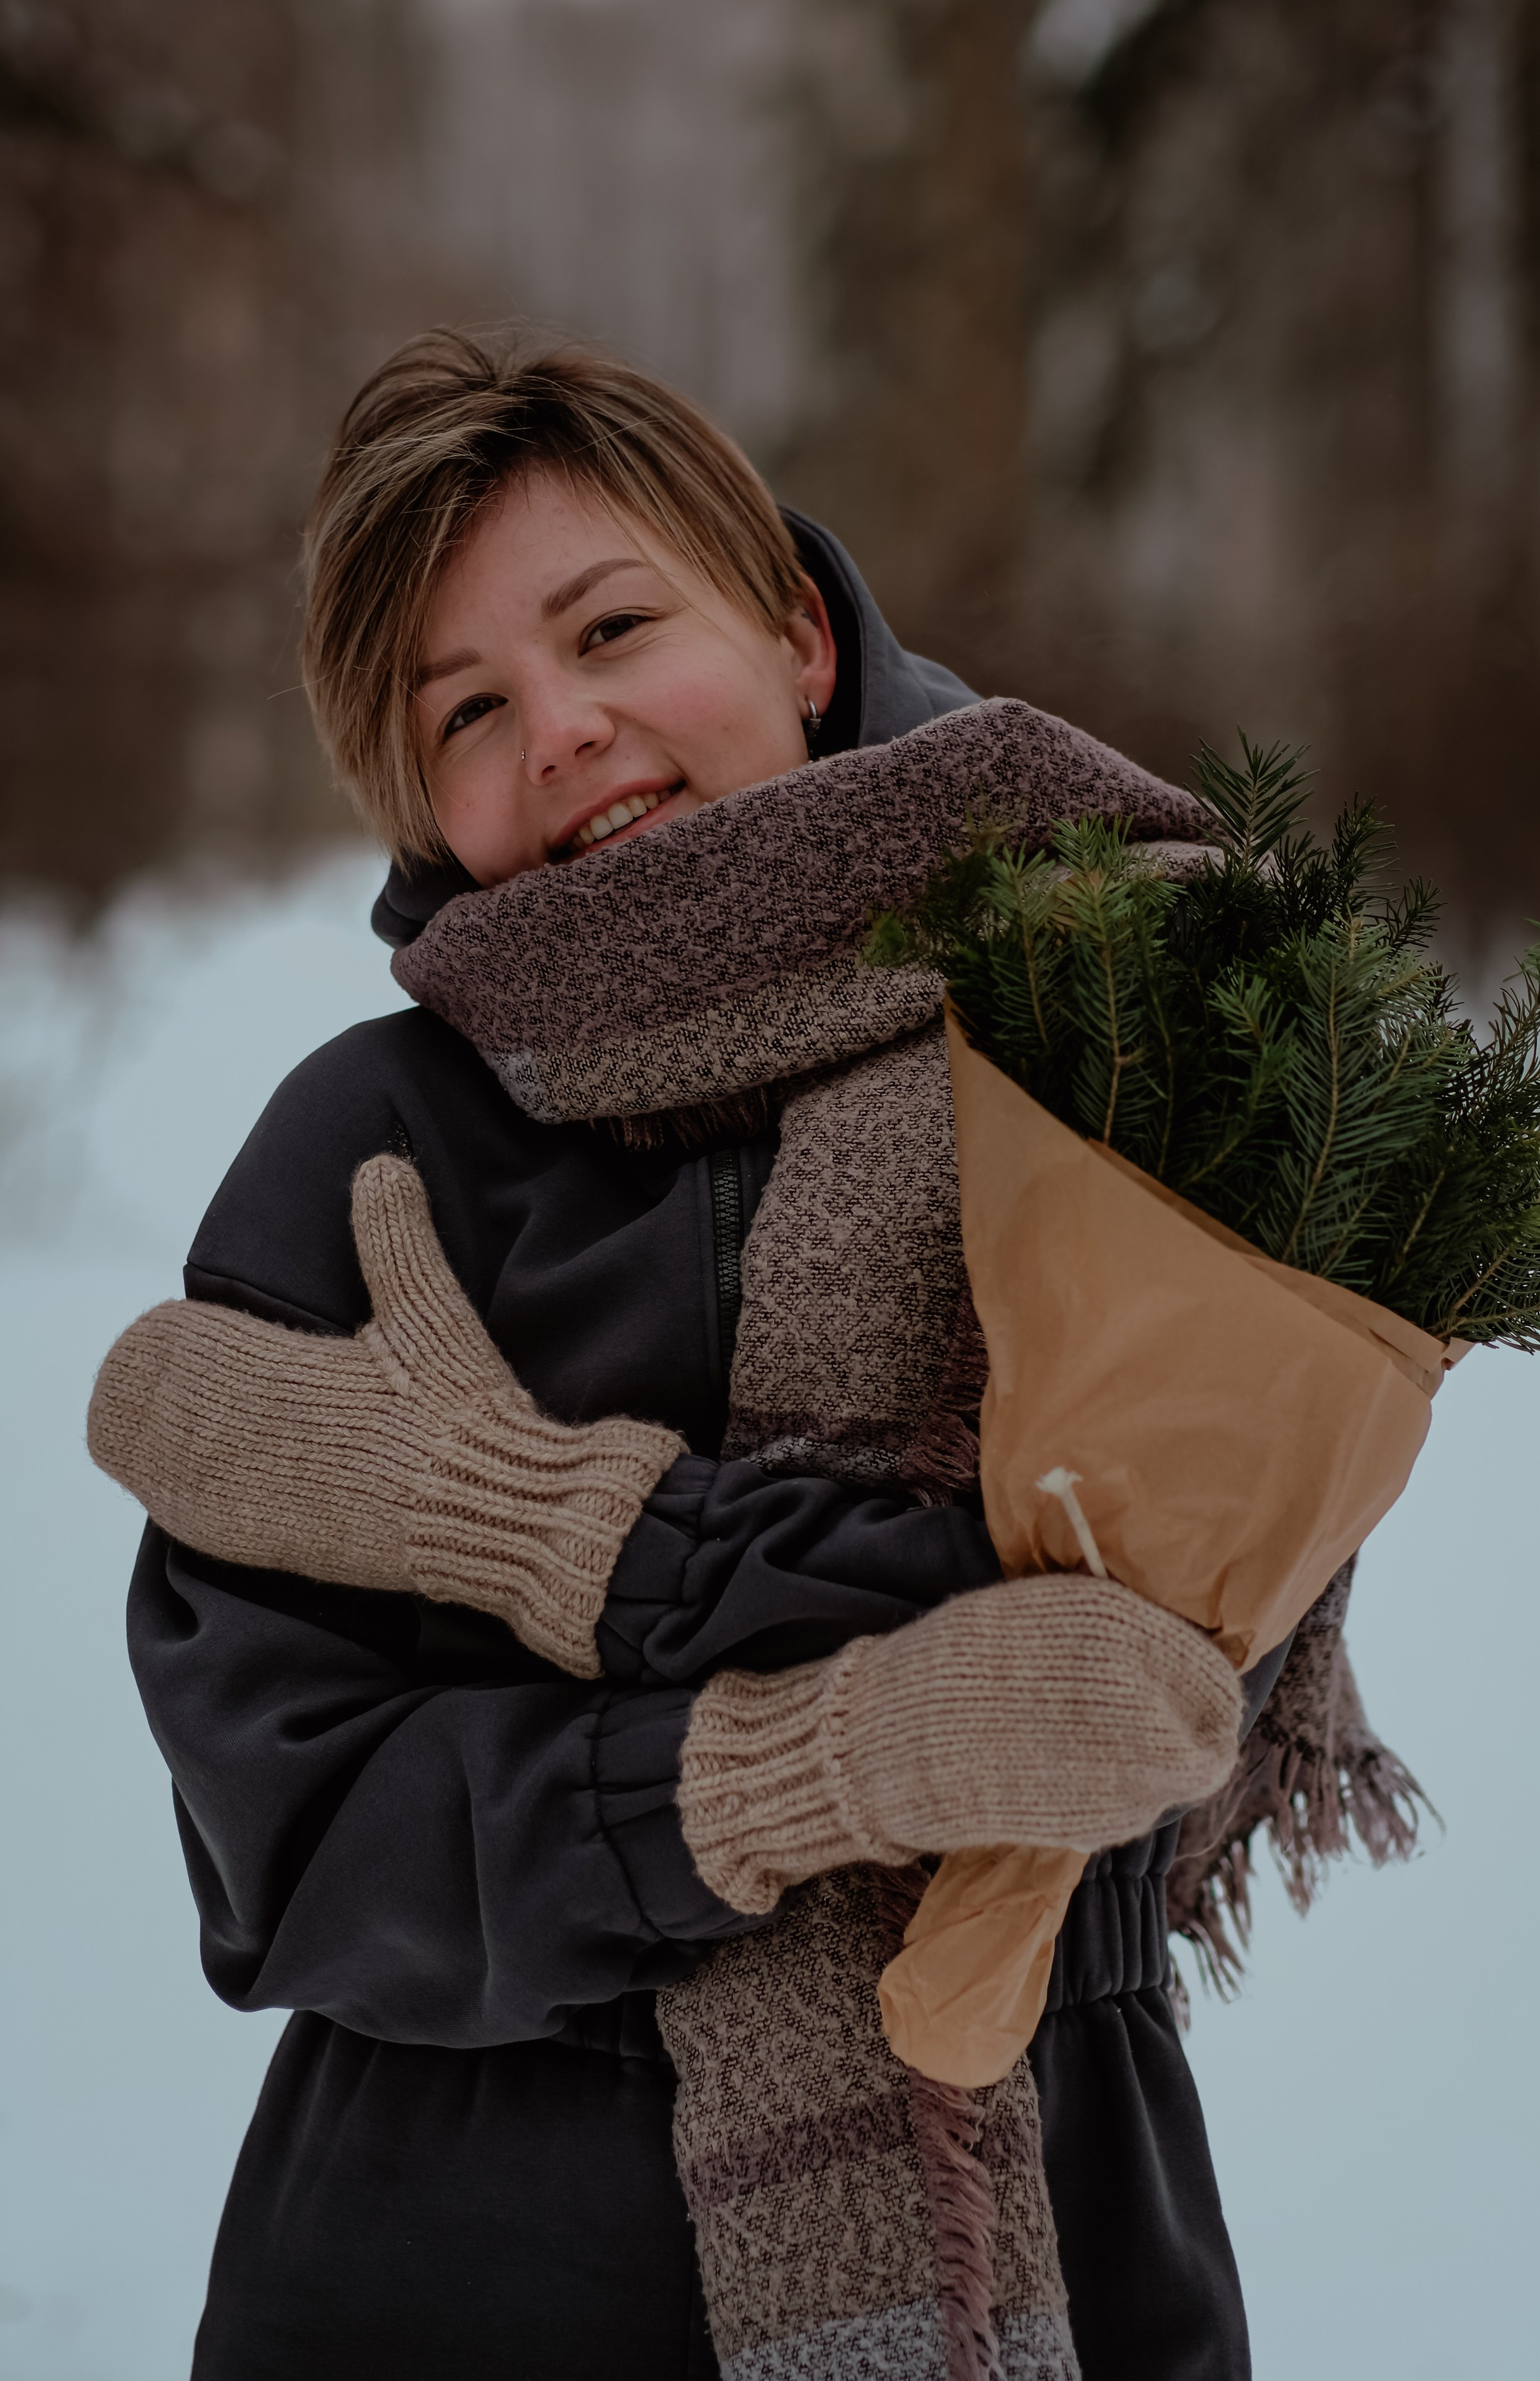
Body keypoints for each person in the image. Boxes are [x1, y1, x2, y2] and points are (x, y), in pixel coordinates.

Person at [90, 328, 1288, 2381]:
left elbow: (1177, 1644)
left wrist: (575, 1540)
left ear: (801, 631)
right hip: (448, 2269)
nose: (561, 731)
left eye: (613, 626)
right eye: (466, 709)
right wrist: (788, 1770)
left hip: (1055, 2218)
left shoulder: (1120, 1037)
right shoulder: (373, 1153)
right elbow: (287, 1836)